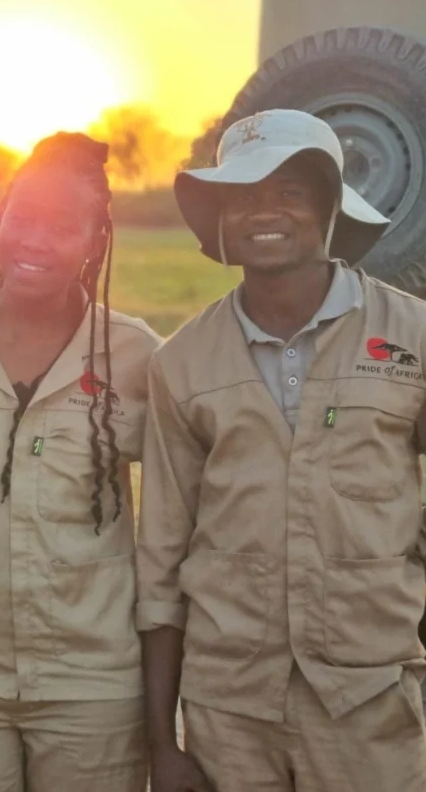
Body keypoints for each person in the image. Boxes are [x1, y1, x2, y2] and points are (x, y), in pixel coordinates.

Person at [138, 108, 426, 792]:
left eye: (291, 192)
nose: (265, 212)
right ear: (219, 221)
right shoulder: (180, 363)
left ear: (330, 209)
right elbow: (161, 563)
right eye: (242, 195)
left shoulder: (412, 336)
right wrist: (161, 745)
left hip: (373, 706)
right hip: (230, 712)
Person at [0, 132, 162, 791]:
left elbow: (176, 518)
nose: (35, 241)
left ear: (95, 241)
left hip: (96, 684)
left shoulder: (136, 357)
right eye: (22, 217)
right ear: (0, 218)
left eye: (62, 225)